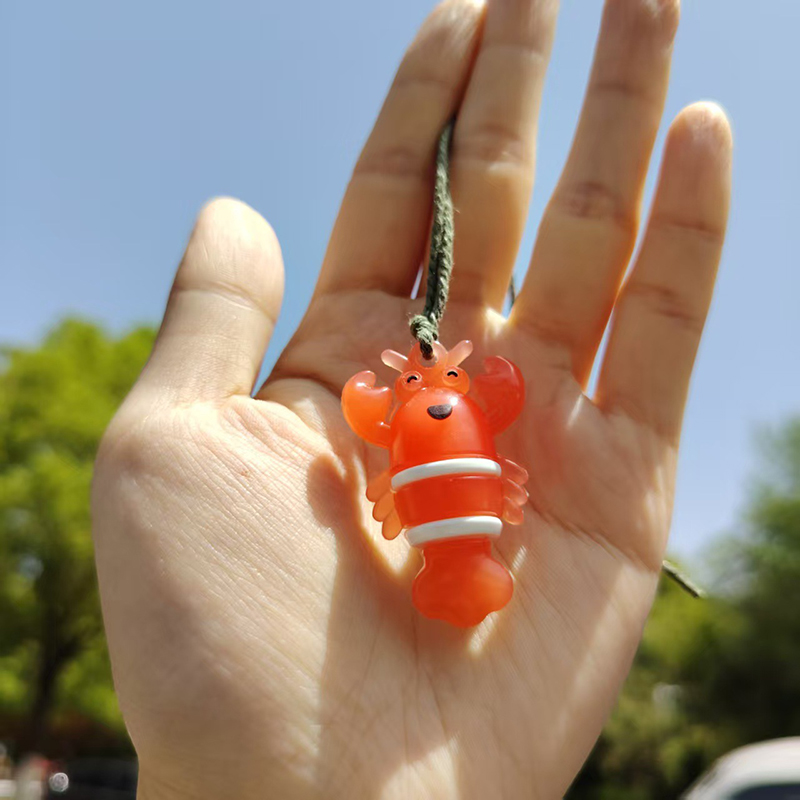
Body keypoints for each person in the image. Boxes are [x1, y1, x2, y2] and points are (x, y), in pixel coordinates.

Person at [91, 0, 732, 797]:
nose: (436, 389)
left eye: (449, 380)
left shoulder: (437, 410)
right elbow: (427, 448)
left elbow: (456, 438)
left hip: (460, 530)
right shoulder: (432, 412)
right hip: (452, 532)